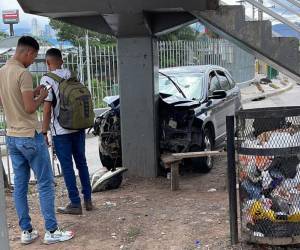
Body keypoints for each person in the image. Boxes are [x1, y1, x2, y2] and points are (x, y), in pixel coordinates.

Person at [0, 36, 74, 245]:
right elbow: (31, 108)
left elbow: (4, 101)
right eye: (33, 57)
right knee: (45, 183)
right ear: (27, 52)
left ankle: (27, 231)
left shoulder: (2, 72)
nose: (32, 61)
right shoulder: (23, 73)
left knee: (21, 187)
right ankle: (51, 230)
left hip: (12, 137)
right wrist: (42, 94)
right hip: (29, 136)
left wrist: (31, 94)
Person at [41, 48, 93, 215]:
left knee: (67, 167)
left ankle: (75, 204)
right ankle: (88, 199)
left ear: (48, 63)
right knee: (82, 163)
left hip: (61, 131)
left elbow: (47, 109)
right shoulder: (72, 75)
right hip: (78, 127)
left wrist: (44, 132)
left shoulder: (47, 79)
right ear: (61, 61)